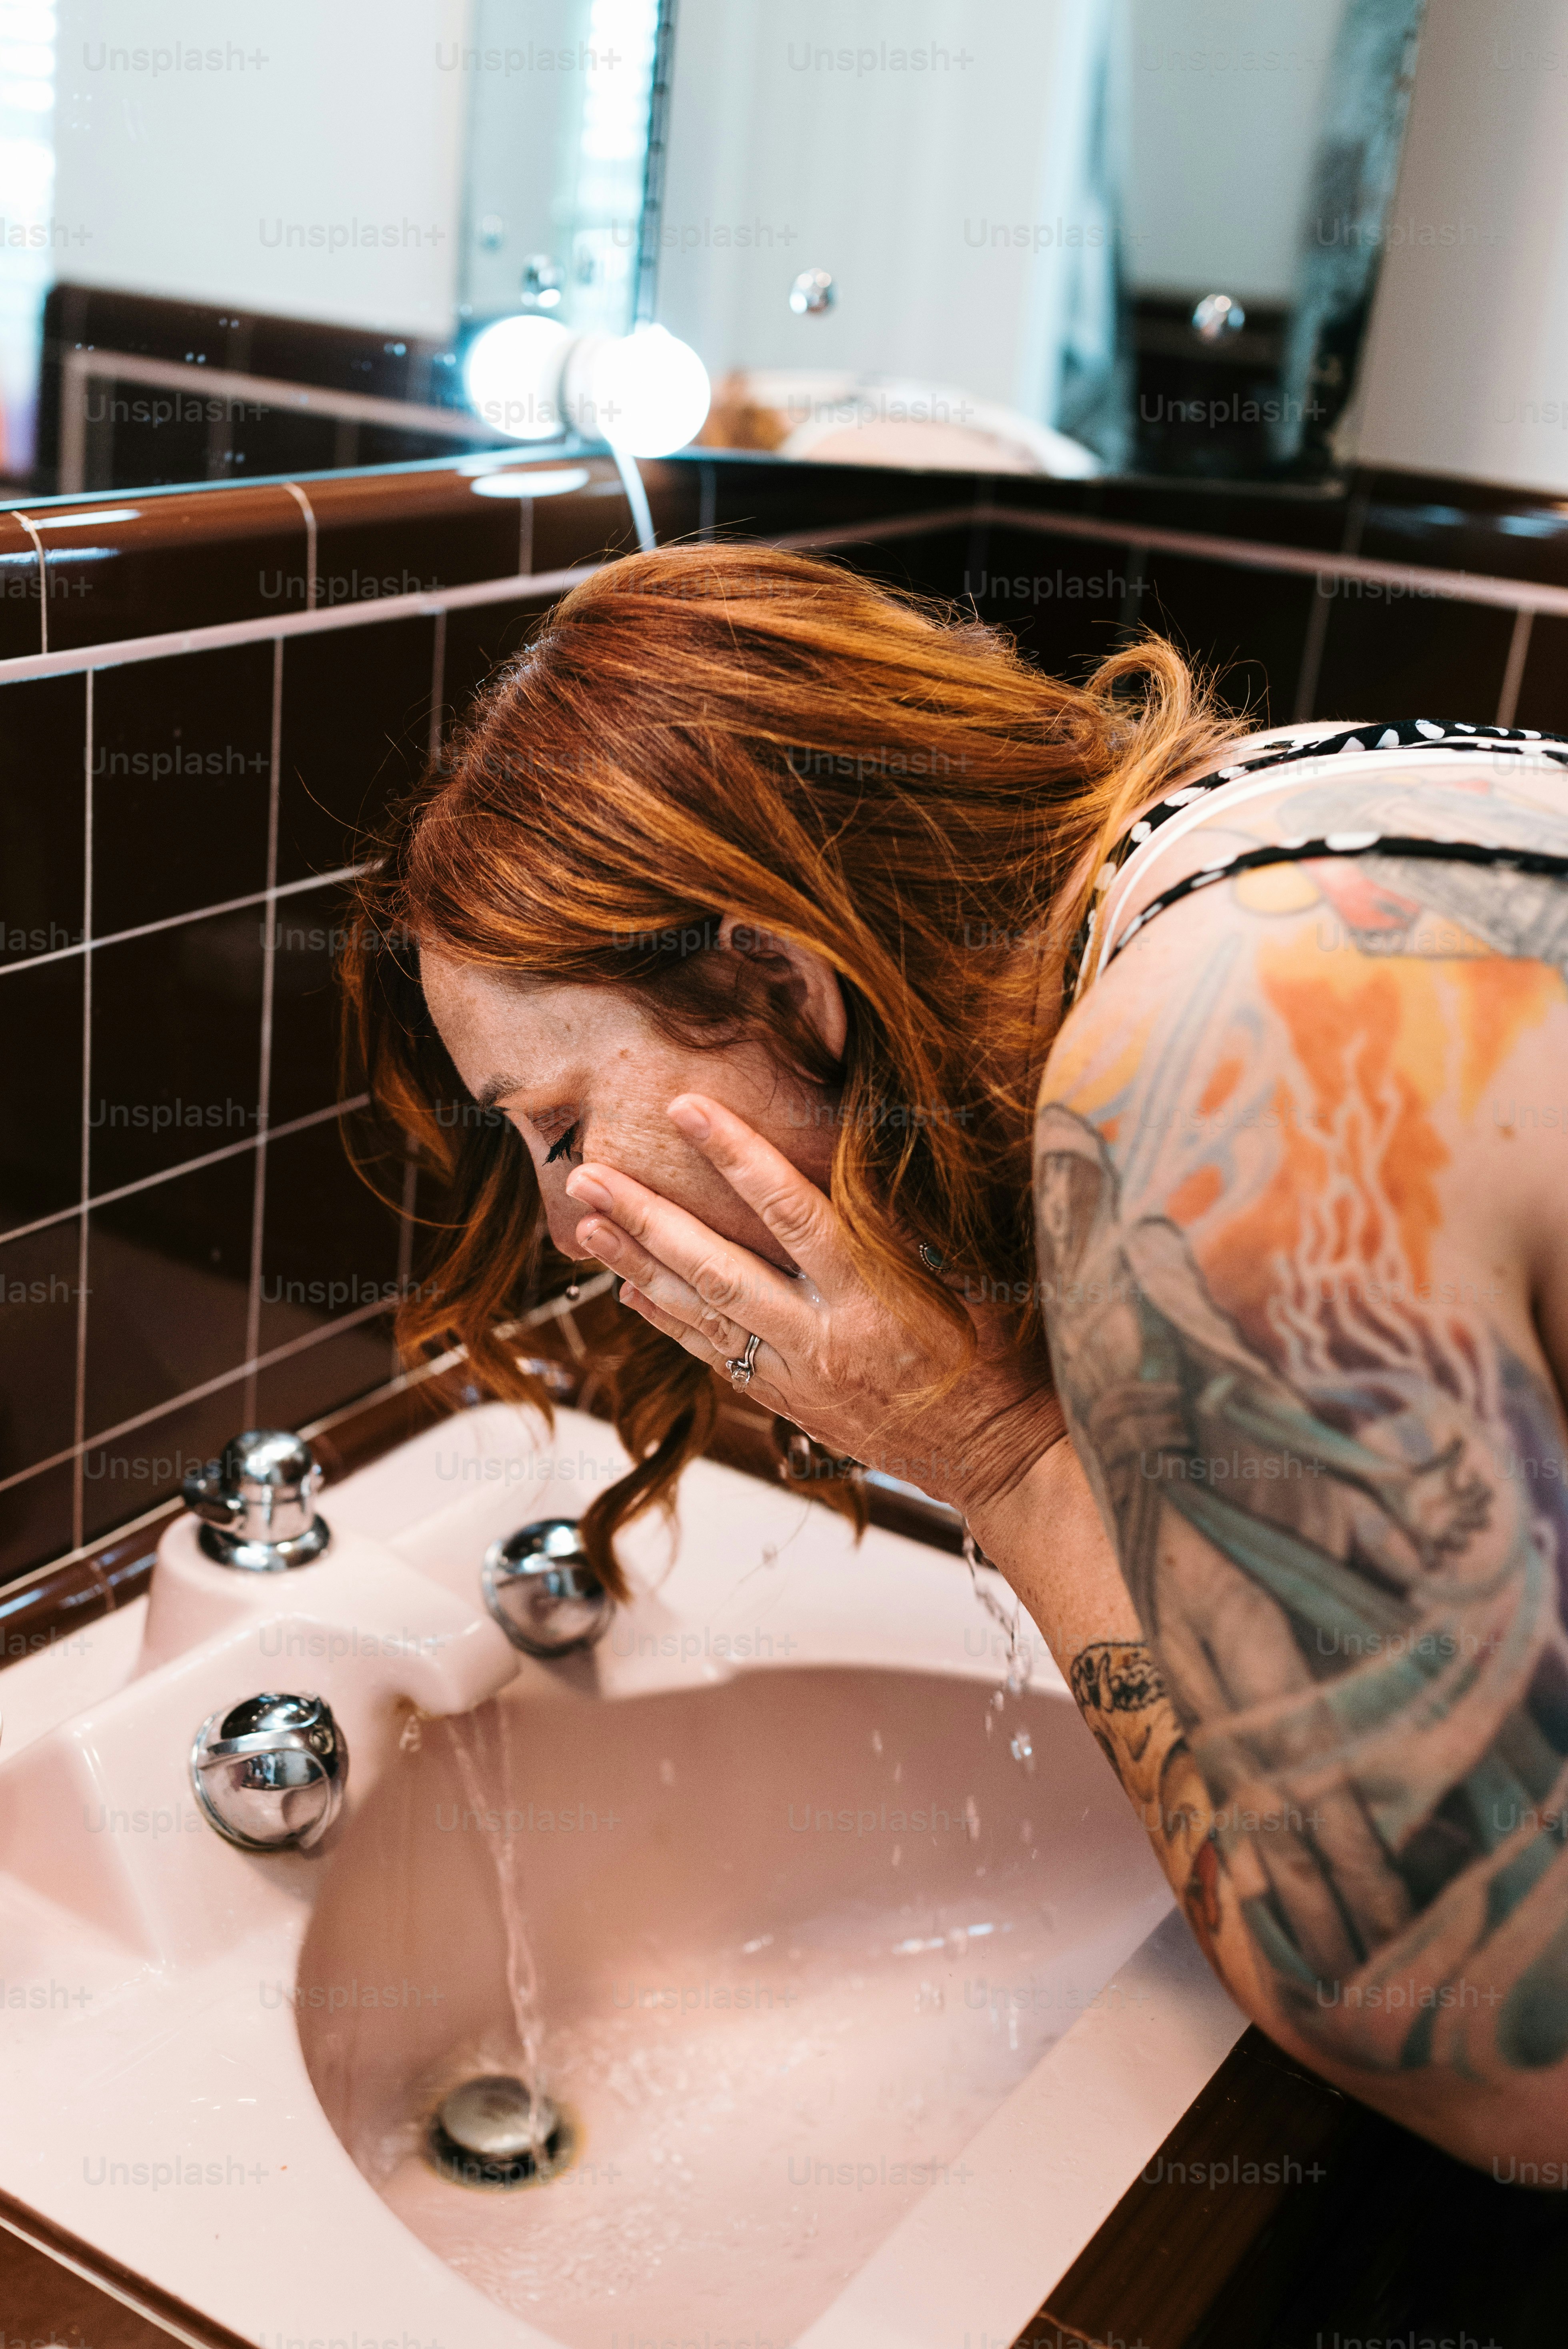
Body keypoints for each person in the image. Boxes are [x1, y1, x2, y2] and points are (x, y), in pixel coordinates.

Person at [343, 544, 1568, 2171]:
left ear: (773, 970)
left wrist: (998, 1458)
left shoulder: (1208, 1087)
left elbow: (1498, 2064)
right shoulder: (1274, 818)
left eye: (560, 1127)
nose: (574, 1225)